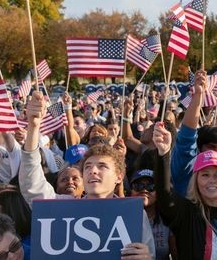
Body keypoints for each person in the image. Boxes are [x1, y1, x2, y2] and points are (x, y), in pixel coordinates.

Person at [18, 91, 155, 257]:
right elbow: (32, 185)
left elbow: (149, 254)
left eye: (102, 166)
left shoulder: (134, 214)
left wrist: (146, 258)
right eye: (88, 166)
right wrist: (33, 127)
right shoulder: (65, 207)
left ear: (119, 177)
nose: (93, 170)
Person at [153, 122, 217, 259]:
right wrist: (163, 153)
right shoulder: (186, 213)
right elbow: (165, 195)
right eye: (205, 174)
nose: (212, 180)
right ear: (196, 179)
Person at [170, 71, 217, 202]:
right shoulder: (187, 170)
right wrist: (198, 95)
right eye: (211, 147)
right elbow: (187, 137)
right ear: (198, 149)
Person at [129, 167, 177, 260]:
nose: (144, 190)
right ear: (130, 191)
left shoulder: (168, 220)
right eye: (138, 186)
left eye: (151, 186)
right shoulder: (121, 218)